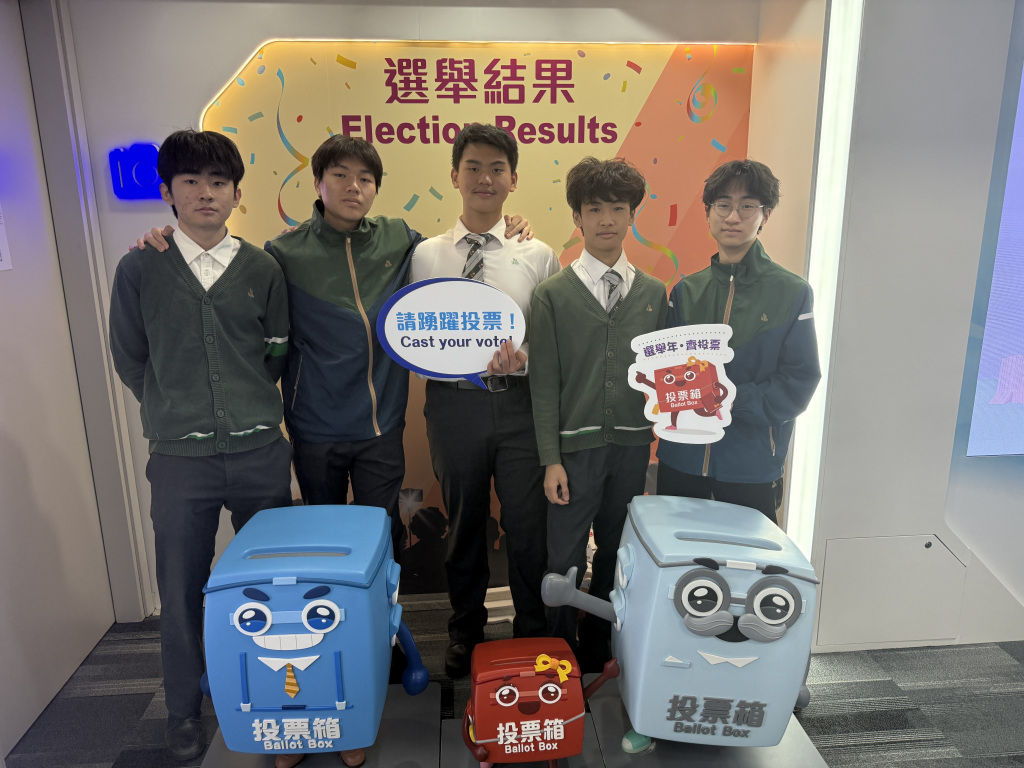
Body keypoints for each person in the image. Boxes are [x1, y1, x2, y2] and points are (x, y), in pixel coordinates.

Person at [137, 136, 530, 564]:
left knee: (383, 535)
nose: (353, 187)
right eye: (340, 175)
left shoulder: (399, 238)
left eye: (365, 178)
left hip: (381, 426)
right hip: (314, 427)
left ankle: (381, 608)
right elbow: (270, 342)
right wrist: (167, 239)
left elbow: (457, 249)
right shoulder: (283, 252)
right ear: (318, 183)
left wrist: (511, 225)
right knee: (322, 539)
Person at [108, 129, 293, 762]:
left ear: (237, 193)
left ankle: (276, 689)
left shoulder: (262, 268)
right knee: (182, 586)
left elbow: (275, 352)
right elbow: (131, 357)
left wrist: (242, 406)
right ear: (168, 191)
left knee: (272, 583)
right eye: (191, 181)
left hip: (259, 451)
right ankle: (183, 709)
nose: (205, 193)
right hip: (180, 460)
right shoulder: (140, 267)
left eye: (218, 182)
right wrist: (175, 408)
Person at [410, 123, 559, 678]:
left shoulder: (538, 253)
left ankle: (531, 629)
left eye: (497, 169)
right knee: (465, 522)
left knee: (527, 525)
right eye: (472, 167)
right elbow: (409, 330)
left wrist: (526, 360)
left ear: (513, 180)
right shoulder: (425, 254)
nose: (484, 178)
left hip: (520, 407)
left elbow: (551, 340)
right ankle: (464, 630)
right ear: (455, 176)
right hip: (454, 407)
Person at [529, 156, 667, 671]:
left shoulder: (654, 294)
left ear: (632, 215)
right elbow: (544, 384)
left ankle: (602, 644)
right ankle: (558, 652)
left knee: (617, 548)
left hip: (632, 448)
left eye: (618, 208)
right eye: (594, 209)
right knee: (564, 555)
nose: (606, 219)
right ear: (577, 218)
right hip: (573, 451)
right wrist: (551, 459)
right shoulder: (551, 295)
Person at [656, 159, 820, 524]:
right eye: (723, 205)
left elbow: (800, 379)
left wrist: (730, 399)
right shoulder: (685, 291)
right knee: (676, 556)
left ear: (766, 215)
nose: (733, 217)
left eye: (747, 206)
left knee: (747, 558)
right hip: (681, 459)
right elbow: (667, 374)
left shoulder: (792, 292)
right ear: (708, 213)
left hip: (752, 464)